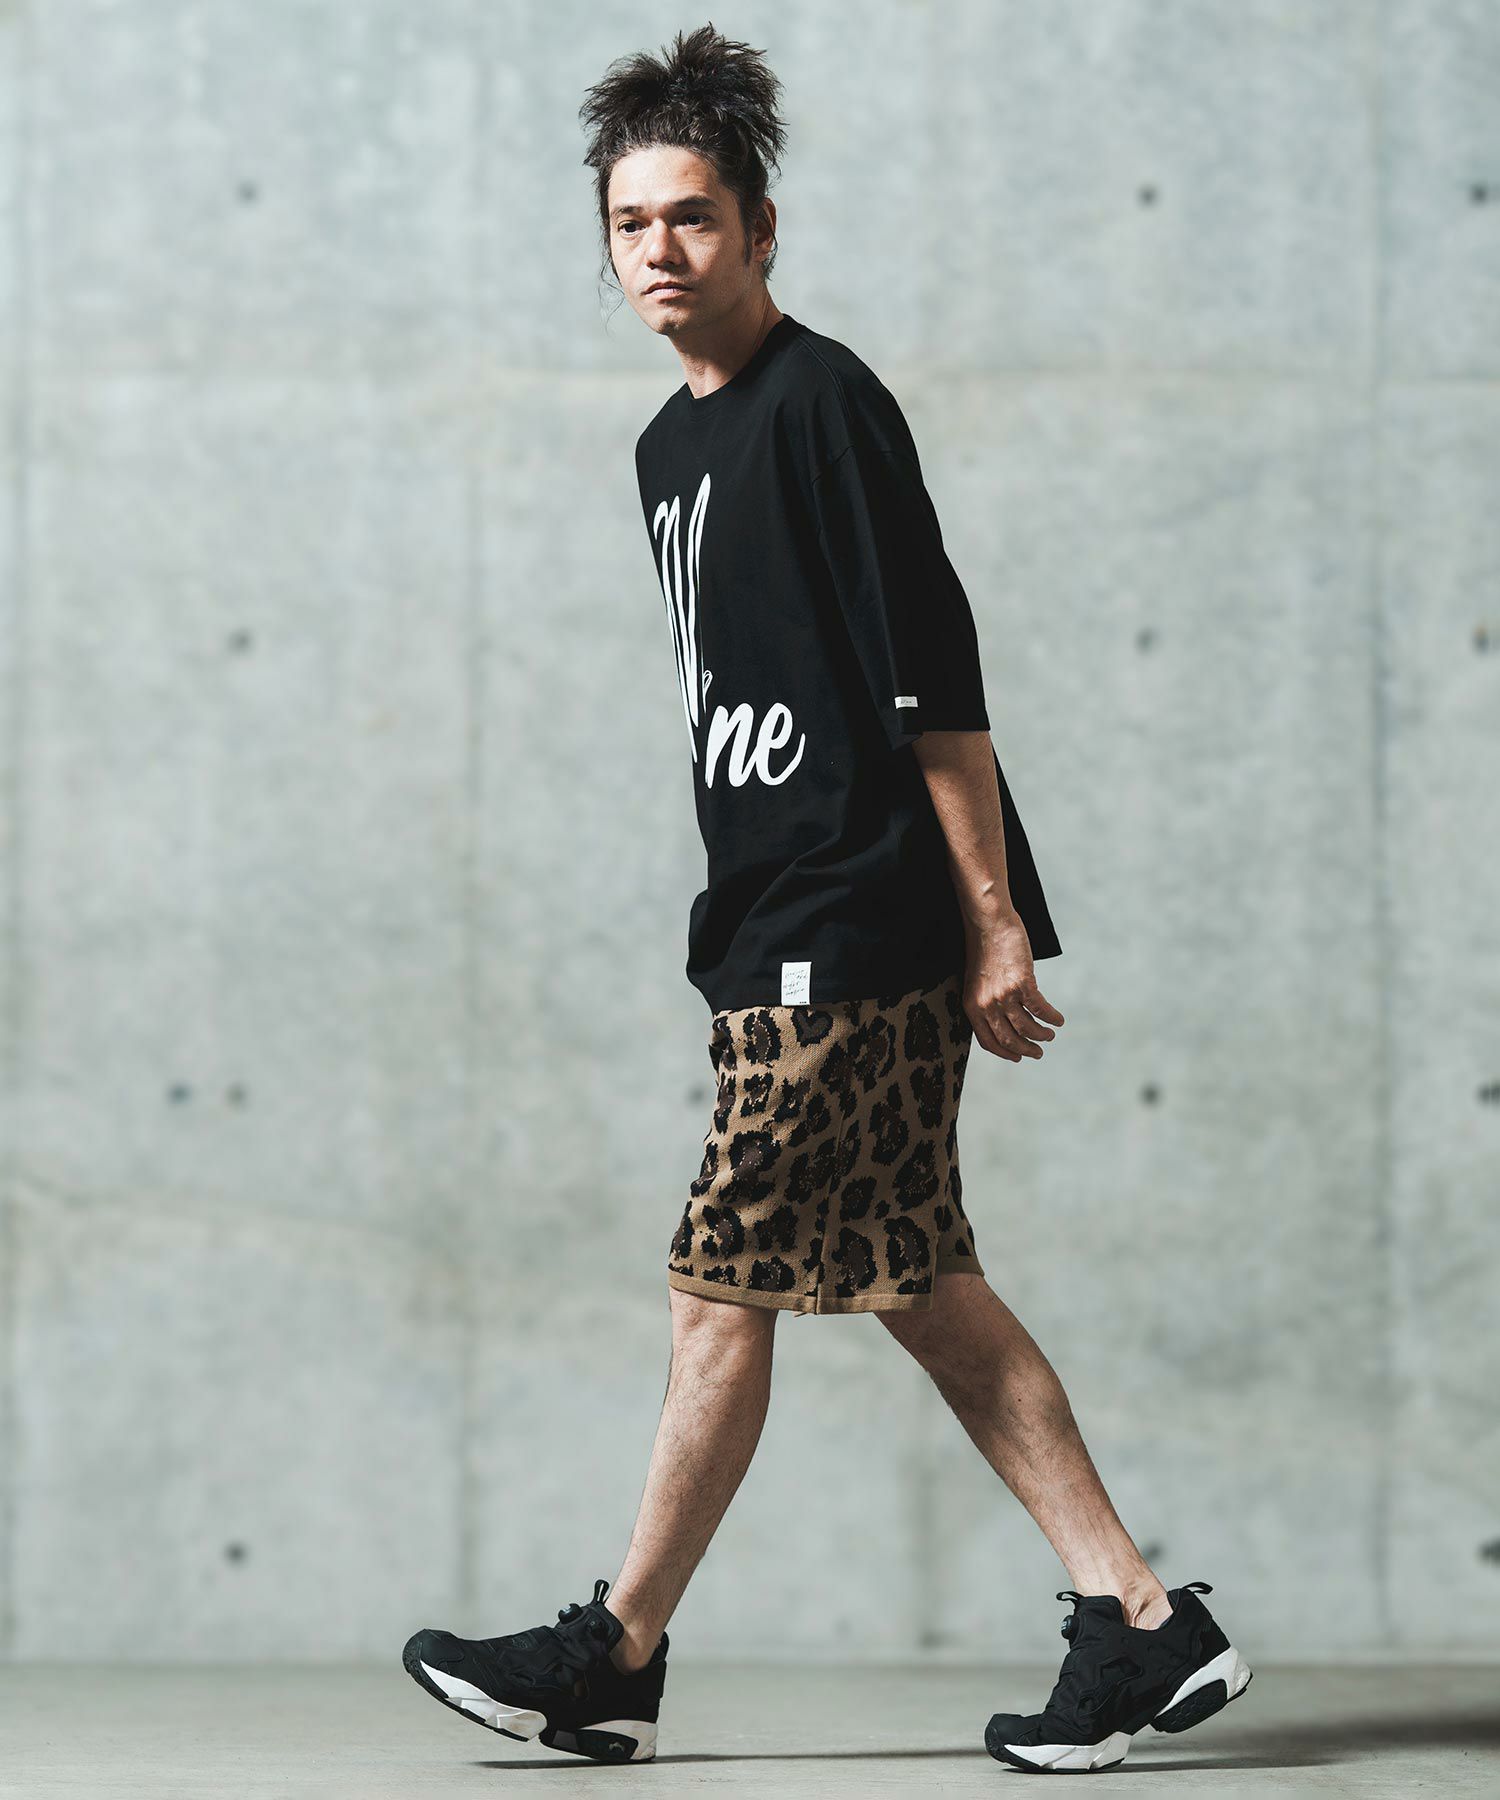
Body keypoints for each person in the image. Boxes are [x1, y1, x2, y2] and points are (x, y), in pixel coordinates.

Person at [402, 24, 1252, 1773]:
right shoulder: (669, 450)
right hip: (770, 921)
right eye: (630, 222)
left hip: (851, 923)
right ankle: (1142, 1619)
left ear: (761, 227)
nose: (659, 248)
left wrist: (993, 918)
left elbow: (933, 681)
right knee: (921, 1280)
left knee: (719, 1284)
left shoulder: (825, 404)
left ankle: (616, 1648)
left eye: (691, 215)